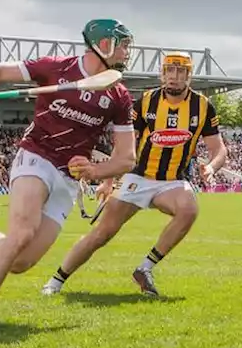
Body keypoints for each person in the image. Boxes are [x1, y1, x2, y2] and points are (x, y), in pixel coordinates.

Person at [0, 19, 138, 335]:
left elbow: (126, 158)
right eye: (122, 43)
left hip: (67, 179)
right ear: (103, 43)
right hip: (35, 158)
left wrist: (95, 171)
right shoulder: (54, 68)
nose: (126, 50)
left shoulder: (119, 96)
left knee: (21, 262)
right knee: (22, 231)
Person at [41, 52, 228, 297]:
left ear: (188, 76)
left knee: (189, 209)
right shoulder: (146, 102)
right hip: (137, 178)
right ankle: (55, 282)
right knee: (102, 233)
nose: (174, 77)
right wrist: (108, 181)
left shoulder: (203, 106)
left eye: (180, 72)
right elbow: (124, 145)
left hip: (172, 182)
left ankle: (145, 268)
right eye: (169, 71)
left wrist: (212, 167)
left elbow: (219, 148)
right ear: (163, 74)